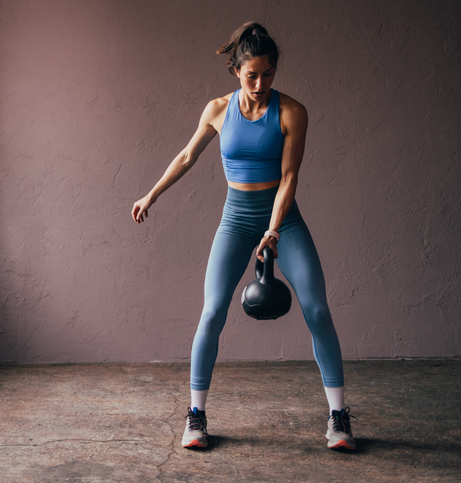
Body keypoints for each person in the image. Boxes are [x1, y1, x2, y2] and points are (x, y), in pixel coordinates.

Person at [131, 22, 355, 451]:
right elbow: (186, 155)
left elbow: (289, 177)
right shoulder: (217, 109)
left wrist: (272, 229)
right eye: (251, 75)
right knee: (212, 312)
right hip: (235, 221)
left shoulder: (291, 111)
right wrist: (151, 194)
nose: (260, 84)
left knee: (317, 309)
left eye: (268, 74)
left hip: (283, 221)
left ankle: (338, 418)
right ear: (236, 70)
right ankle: (195, 418)